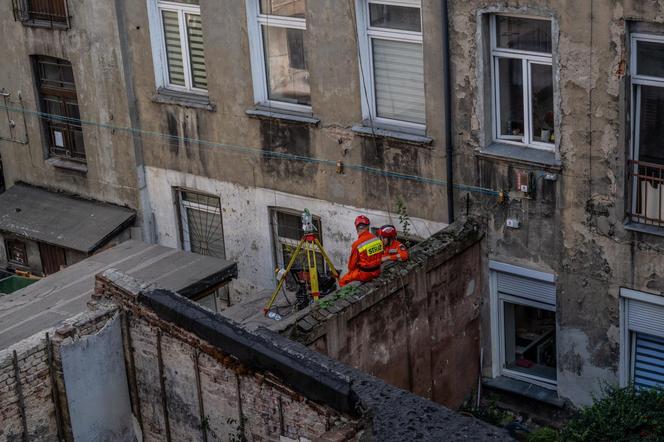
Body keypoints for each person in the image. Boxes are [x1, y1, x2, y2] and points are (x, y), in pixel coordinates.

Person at [339, 215, 383, 287]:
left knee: (342, 281)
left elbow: (351, 266)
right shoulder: (377, 239)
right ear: (368, 227)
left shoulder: (357, 244)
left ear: (357, 228)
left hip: (365, 274)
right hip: (377, 271)